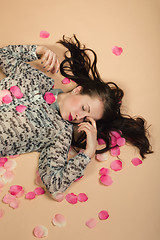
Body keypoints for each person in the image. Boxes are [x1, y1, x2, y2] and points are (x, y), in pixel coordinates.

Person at [0, 35, 153, 197]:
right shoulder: (38, 80)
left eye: (86, 118)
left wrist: (88, 153)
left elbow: (53, 184)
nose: (79, 116)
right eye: (83, 107)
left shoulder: (61, 134)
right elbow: (3, 55)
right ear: (77, 90)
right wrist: (39, 50)